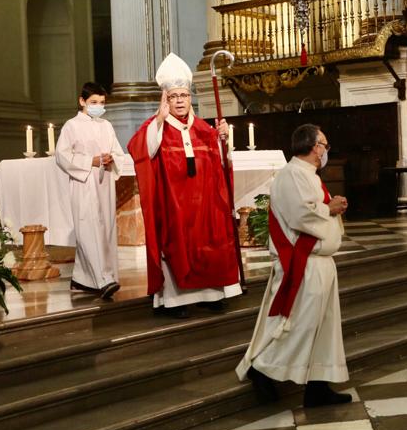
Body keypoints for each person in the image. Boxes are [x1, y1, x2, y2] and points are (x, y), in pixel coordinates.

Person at [236, 124, 351, 407]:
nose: (326, 150)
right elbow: (301, 216)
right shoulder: (291, 175)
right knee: (298, 326)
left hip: (320, 263)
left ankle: (318, 387)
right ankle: (261, 369)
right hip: (304, 264)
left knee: (323, 329)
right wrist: (330, 208)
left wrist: (332, 205)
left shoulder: (308, 175)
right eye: (324, 144)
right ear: (314, 147)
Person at [127, 53, 242, 319]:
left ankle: (211, 295)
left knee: (209, 244)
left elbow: (222, 165)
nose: (179, 101)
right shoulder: (155, 128)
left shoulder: (204, 129)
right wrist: (158, 120)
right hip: (174, 208)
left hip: (204, 208)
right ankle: (174, 300)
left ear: (191, 98)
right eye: (173, 97)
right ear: (164, 100)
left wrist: (224, 140)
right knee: (176, 247)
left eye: (184, 96)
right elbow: (141, 151)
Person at [54, 82, 127, 300]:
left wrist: (112, 158)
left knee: (105, 230)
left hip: (104, 183)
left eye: (102, 103)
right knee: (88, 230)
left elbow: (117, 151)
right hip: (84, 183)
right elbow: (62, 156)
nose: (98, 106)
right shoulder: (71, 125)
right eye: (93, 102)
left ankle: (83, 279)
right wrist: (90, 161)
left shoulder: (106, 125)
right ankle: (102, 280)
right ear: (82, 101)